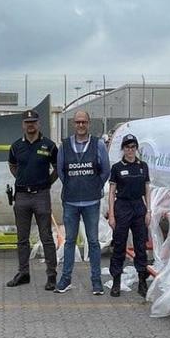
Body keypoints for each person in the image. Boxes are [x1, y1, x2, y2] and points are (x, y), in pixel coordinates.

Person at [55, 111, 109, 295]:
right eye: (77, 122)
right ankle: (65, 279)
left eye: (84, 122)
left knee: (93, 241)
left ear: (89, 123)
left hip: (91, 201)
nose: (80, 125)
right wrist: (73, 185)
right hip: (70, 201)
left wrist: (94, 186)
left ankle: (96, 281)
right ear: (73, 124)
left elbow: (105, 171)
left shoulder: (98, 144)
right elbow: (61, 171)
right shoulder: (64, 146)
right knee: (70, 241)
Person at [7, 109, 59, 290]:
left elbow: (57, 168)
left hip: (41, 196)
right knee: (22, 238)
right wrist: (22, 179)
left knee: (46, 237)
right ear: (23, 125)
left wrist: (46, 183)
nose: (30, 125)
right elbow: (13, 166)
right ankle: (23, 273)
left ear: (39, 124)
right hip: (21, 196)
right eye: (27, 122)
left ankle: (51, 275)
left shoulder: (49, 146)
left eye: (33, 122)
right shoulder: (15, 146)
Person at [107, 134, 151, 297]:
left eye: (133, 147)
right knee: (119, 244)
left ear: (136, 148)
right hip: (122, 206)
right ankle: (116, 281)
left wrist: (149, 210)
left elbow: (147, 189)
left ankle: (142, 281)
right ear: (123, 149)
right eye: (127, 147)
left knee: (141, 245)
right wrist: (111, 215)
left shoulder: (143, 166)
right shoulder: (117, 167)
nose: (130, 150)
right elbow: (112, 192)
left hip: (139, 207)